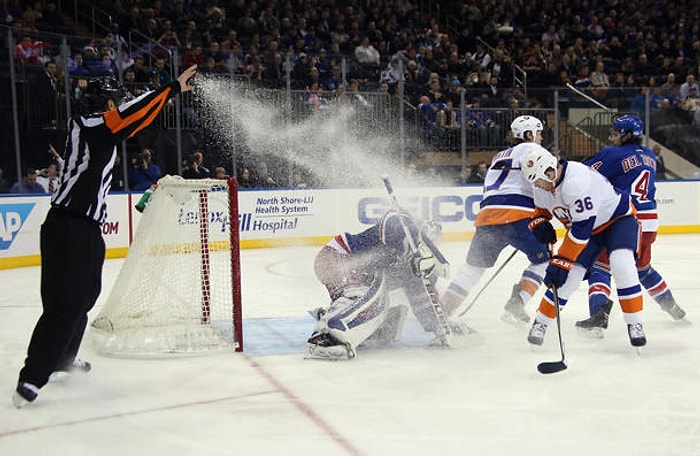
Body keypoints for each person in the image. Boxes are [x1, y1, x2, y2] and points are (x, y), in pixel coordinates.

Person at [12, 64, 199, 408]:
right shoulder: (93, 125)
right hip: (71, 226)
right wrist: (170, 89)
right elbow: (133, 116)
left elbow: (134, 119)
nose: (117, 106)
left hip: (78, 227)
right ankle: (32, 376)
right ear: (104, 105)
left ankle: (63, 358)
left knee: (81, 298)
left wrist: (166, 96)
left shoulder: (96, 131)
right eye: (113, 101)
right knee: (65, 304)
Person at [520, 147, 647, 349]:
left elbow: (580, 231)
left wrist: (560, 262)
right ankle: (541, 323)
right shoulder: (542, 186)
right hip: (589, 228)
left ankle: (635, 323)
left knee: (622, 263)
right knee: (568, 279)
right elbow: (541, 210)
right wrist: (540, 223)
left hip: (617, 219)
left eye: (537, 180)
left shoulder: (575, 181)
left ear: (549, 172)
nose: (535, 185)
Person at [305, 210, 473, 360]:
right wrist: (411, 238)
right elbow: (392, 217)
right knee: (359, 295)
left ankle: (334, 319)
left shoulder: (419, 268)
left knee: (383, 312)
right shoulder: (401, 228)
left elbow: (424, 303)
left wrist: (442, 326)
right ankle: (324, 337)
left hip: (360, 274)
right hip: (337, 257)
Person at [575, 115, 686, 336]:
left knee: (600, 267)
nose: (612, 137)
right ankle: (672, 307)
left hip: (625, 219)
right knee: (642, 269)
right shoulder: (649, 155)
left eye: (616, 134)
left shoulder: (612, 153)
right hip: (650, 220)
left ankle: (598, 317)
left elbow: (583, 175)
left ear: (626, 135)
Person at [440, 116, 551, 326]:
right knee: (543, 260)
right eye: (539, 132)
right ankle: (518, 302)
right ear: (528, 134)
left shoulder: (500, 155)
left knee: (473, 267)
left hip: (488, 216)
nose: (542, 137)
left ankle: (444, 309)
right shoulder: (536, 151)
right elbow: (545, 182)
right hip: (518, 216)